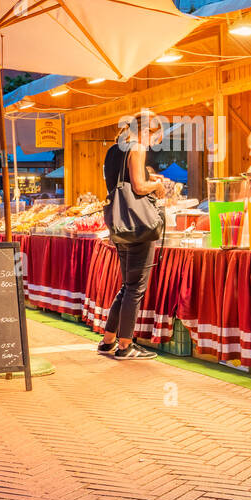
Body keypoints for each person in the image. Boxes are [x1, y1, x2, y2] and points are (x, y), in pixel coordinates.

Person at [96, 111, 165, 361]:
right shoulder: (136, 146)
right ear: (147, 131)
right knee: (135, 288)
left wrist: (149, 179)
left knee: (127, 285)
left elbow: (120, 183)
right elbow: (137, 186)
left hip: (119, 222)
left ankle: (108, 341)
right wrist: (156, 184)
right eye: (157, 135)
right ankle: (125, 346)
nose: (155, 141)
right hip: (138, 225)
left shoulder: (114, 149)